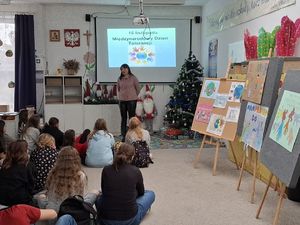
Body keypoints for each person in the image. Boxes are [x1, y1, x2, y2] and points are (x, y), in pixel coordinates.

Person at [96, 143, 155, 225]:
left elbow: (104, 191)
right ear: (133, 156)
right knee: (150, 194)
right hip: (129, 220)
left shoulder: (106, 169)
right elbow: (141, 192)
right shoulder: (135, 170)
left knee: (99, 197)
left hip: (106, 219)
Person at [37, 146, 98, 213]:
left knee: (40, 197)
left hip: (52, 213)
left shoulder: (53, 173)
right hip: (72, 212)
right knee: (94, 193)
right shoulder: (80, 176)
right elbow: (80, 198)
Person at [0, 140, 35, 206]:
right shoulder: (28, 166)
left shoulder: (5, 165)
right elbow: (31, 187)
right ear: (24, 152)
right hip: (20, 202)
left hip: (3, 200)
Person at [117, 64, 140, 141]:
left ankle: (132, 134)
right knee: (123, 118)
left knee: (132, 118)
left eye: (124, 69)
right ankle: (124, 135)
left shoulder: (133, 78)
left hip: (132, 100)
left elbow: (138, 89)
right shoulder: (119, 79)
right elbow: (119, 89)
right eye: (121, 69)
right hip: (122, 101)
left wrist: (133, 96)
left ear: (128, 69)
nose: (123, 70)